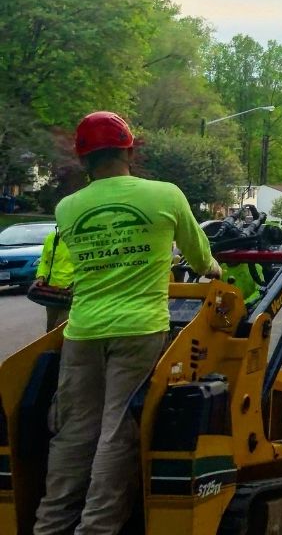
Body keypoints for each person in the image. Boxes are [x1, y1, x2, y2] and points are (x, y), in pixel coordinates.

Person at [34, 111, 222, 535]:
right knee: (116, 430)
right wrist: (214, 272)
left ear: (84, 161)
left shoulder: (67, 208)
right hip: (140, 329)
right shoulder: (165, 196)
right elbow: (198, 256)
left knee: (74, 430)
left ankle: (49, 525)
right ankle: (97, 529)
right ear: (130, 151)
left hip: (81, 330)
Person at [33, 227, 75, 331]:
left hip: (73, 290)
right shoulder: (51, 238)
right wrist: (41, 277)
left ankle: (62, 346)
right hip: (52, 290)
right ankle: (53, 346)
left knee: (62, 325)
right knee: (51, 325)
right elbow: (44, 261)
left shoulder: (80, 239)